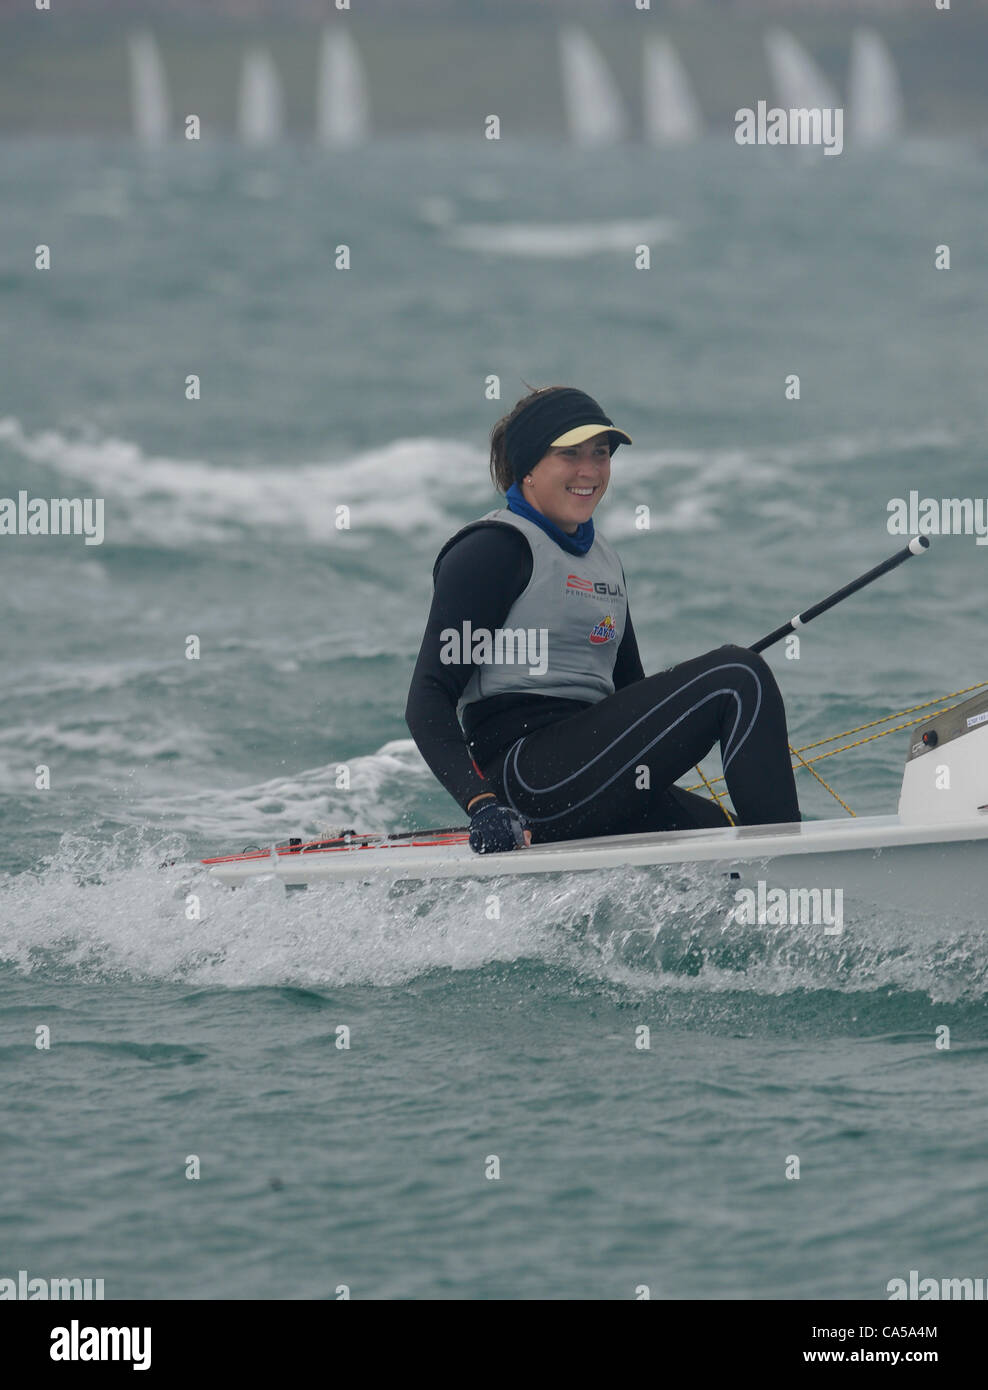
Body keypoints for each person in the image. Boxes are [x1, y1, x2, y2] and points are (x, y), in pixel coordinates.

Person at [405, 386, 801, 854]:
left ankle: (770, 876)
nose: (590, 470)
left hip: (594, 775)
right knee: (737, 677)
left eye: (601, 453)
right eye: (569, 454)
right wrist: (482, 805)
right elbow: (428, 699)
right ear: (529, 466)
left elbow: (630, 693)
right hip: (526, 782)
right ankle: (790, 867)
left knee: (726, 837)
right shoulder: (491, 550)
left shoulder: (604, 560)